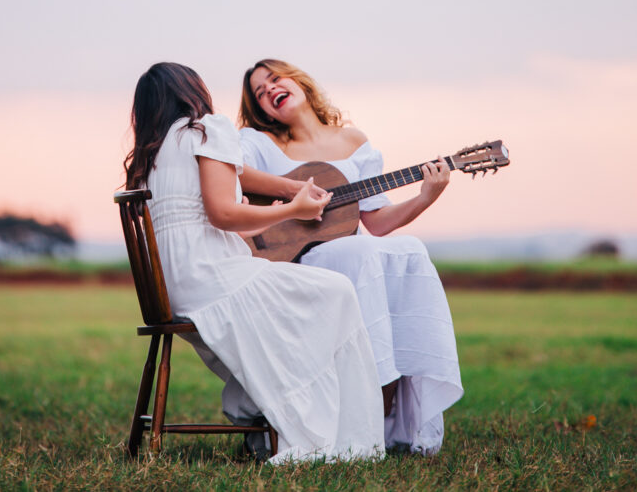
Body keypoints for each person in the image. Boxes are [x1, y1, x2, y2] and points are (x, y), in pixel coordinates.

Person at [124, 62, 389, 463]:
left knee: (302, 297)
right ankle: (344, 434)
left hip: (174, 292)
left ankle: (264, 417)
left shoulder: (151, 157)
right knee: (335, 291)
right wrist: (291, 209)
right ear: (191, 91)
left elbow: (192, 229)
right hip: (212, 281)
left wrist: (255, 217)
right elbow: (221, 215)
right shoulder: (206, 130)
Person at [229, 58, 464, 456]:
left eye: (274, 79)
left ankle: (392, 397)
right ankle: (371, 401)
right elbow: (230, 173)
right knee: (360, 253)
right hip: (296, 260)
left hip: (354, 250)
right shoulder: (259, 143)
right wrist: (293, 193)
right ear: (260, 110)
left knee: (410, 248)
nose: (269, 90)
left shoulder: (353, 142)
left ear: (299, 82)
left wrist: (425, 196)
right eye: (259, 92)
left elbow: (376, 223)